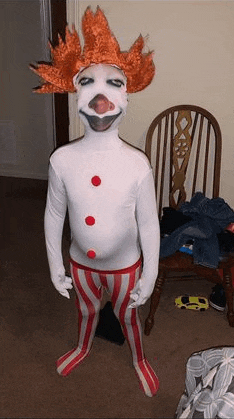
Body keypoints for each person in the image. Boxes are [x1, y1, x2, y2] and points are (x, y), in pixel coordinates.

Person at [31, 7, 160, 397]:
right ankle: (83, 345)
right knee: (86, 311)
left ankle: (138, 357)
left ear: (126, 97)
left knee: (127, 315)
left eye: (113, 83)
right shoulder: (62, 160)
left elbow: (149, 222)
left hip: (124, 267)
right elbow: (54, 213)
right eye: (87, 81)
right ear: (74, 93)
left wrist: (150, 273)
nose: (100, 97)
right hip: (81, 264)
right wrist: (56, 263)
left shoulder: (138, 165)